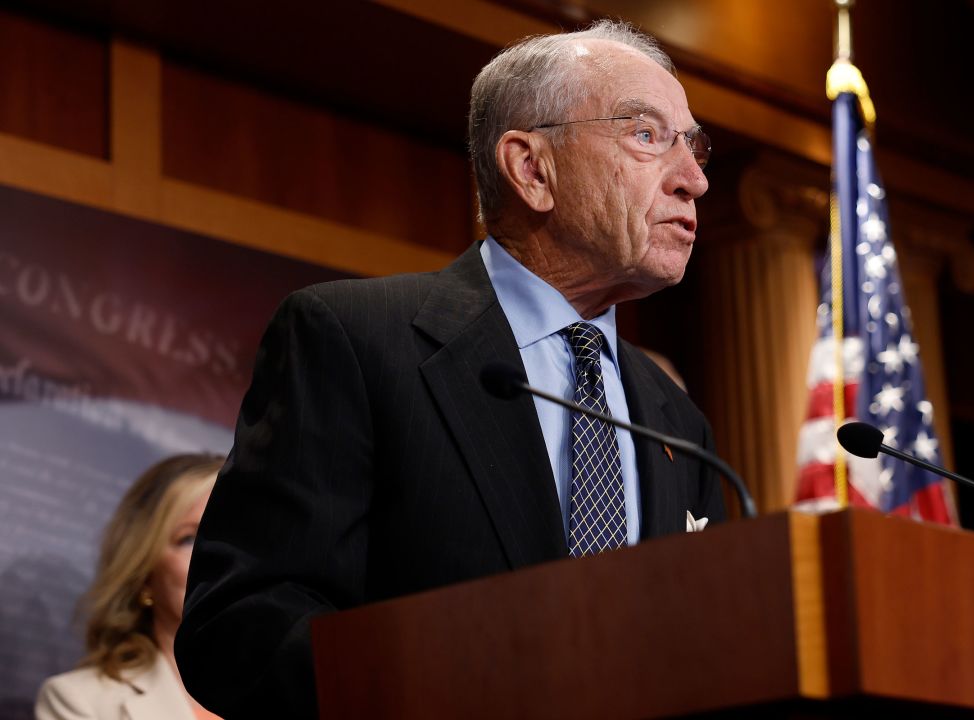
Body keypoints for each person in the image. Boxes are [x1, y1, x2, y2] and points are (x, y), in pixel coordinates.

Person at [176, 20, 726, 719]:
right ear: (531, 168)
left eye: (694, 144)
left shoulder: (678, 420)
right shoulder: (355, 339)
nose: (695, 180)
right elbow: (240, 624)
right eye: (647, 136)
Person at [35, 454, 223, 720]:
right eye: (189, 539)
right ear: (144, 573)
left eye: (234, 540)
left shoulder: (295, 687)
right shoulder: (79, 701)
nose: (218, 559)